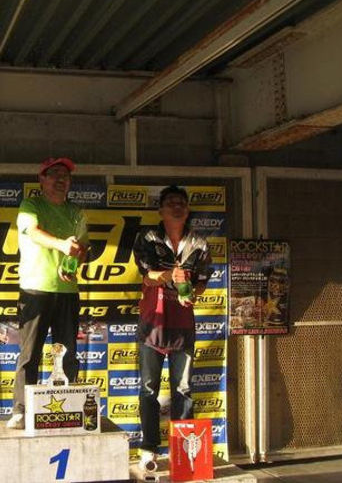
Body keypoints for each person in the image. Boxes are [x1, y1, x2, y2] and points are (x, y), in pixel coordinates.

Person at [132, 185, 212, 472]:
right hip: (151, 326)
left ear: (187, 210)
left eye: (181, 202)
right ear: (161, 210)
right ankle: (149, 448)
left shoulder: (200, 243)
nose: (176, 206)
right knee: (148, 389)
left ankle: (183, 454)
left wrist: (193, 293)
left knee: (184, 389)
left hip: (183, 328)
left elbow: (202, 281)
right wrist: (169, 275)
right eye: (170, 202)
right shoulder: (148, 237)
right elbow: (147, 276)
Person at [6, 157, 89, 430]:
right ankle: (21, 410)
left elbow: (82, 248)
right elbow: (33, 233)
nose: (60, 179)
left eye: (65, 175)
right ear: (41, 179)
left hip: (67, 291)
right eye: (54, 174)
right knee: (30, 354)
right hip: (35, 289)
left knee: (67, 353)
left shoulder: (76, 211)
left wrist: (75, 260)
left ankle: (68, 407)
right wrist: (62, 245)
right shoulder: (31, 205)